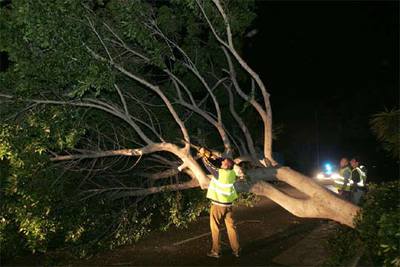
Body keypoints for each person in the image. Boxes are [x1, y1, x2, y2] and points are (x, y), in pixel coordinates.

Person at [198, 147, 240, 259]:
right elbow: (218, 162)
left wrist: (203, 155)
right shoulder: (232, 173)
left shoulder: (220, 173)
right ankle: (236, 250)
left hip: (218, 206)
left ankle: (215, 251)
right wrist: (211, 155)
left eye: (224, 162)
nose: (222, 162)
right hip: (229, 205)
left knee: (215, 227)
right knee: (231, 227)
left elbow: (208, 166)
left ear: (226, 166)